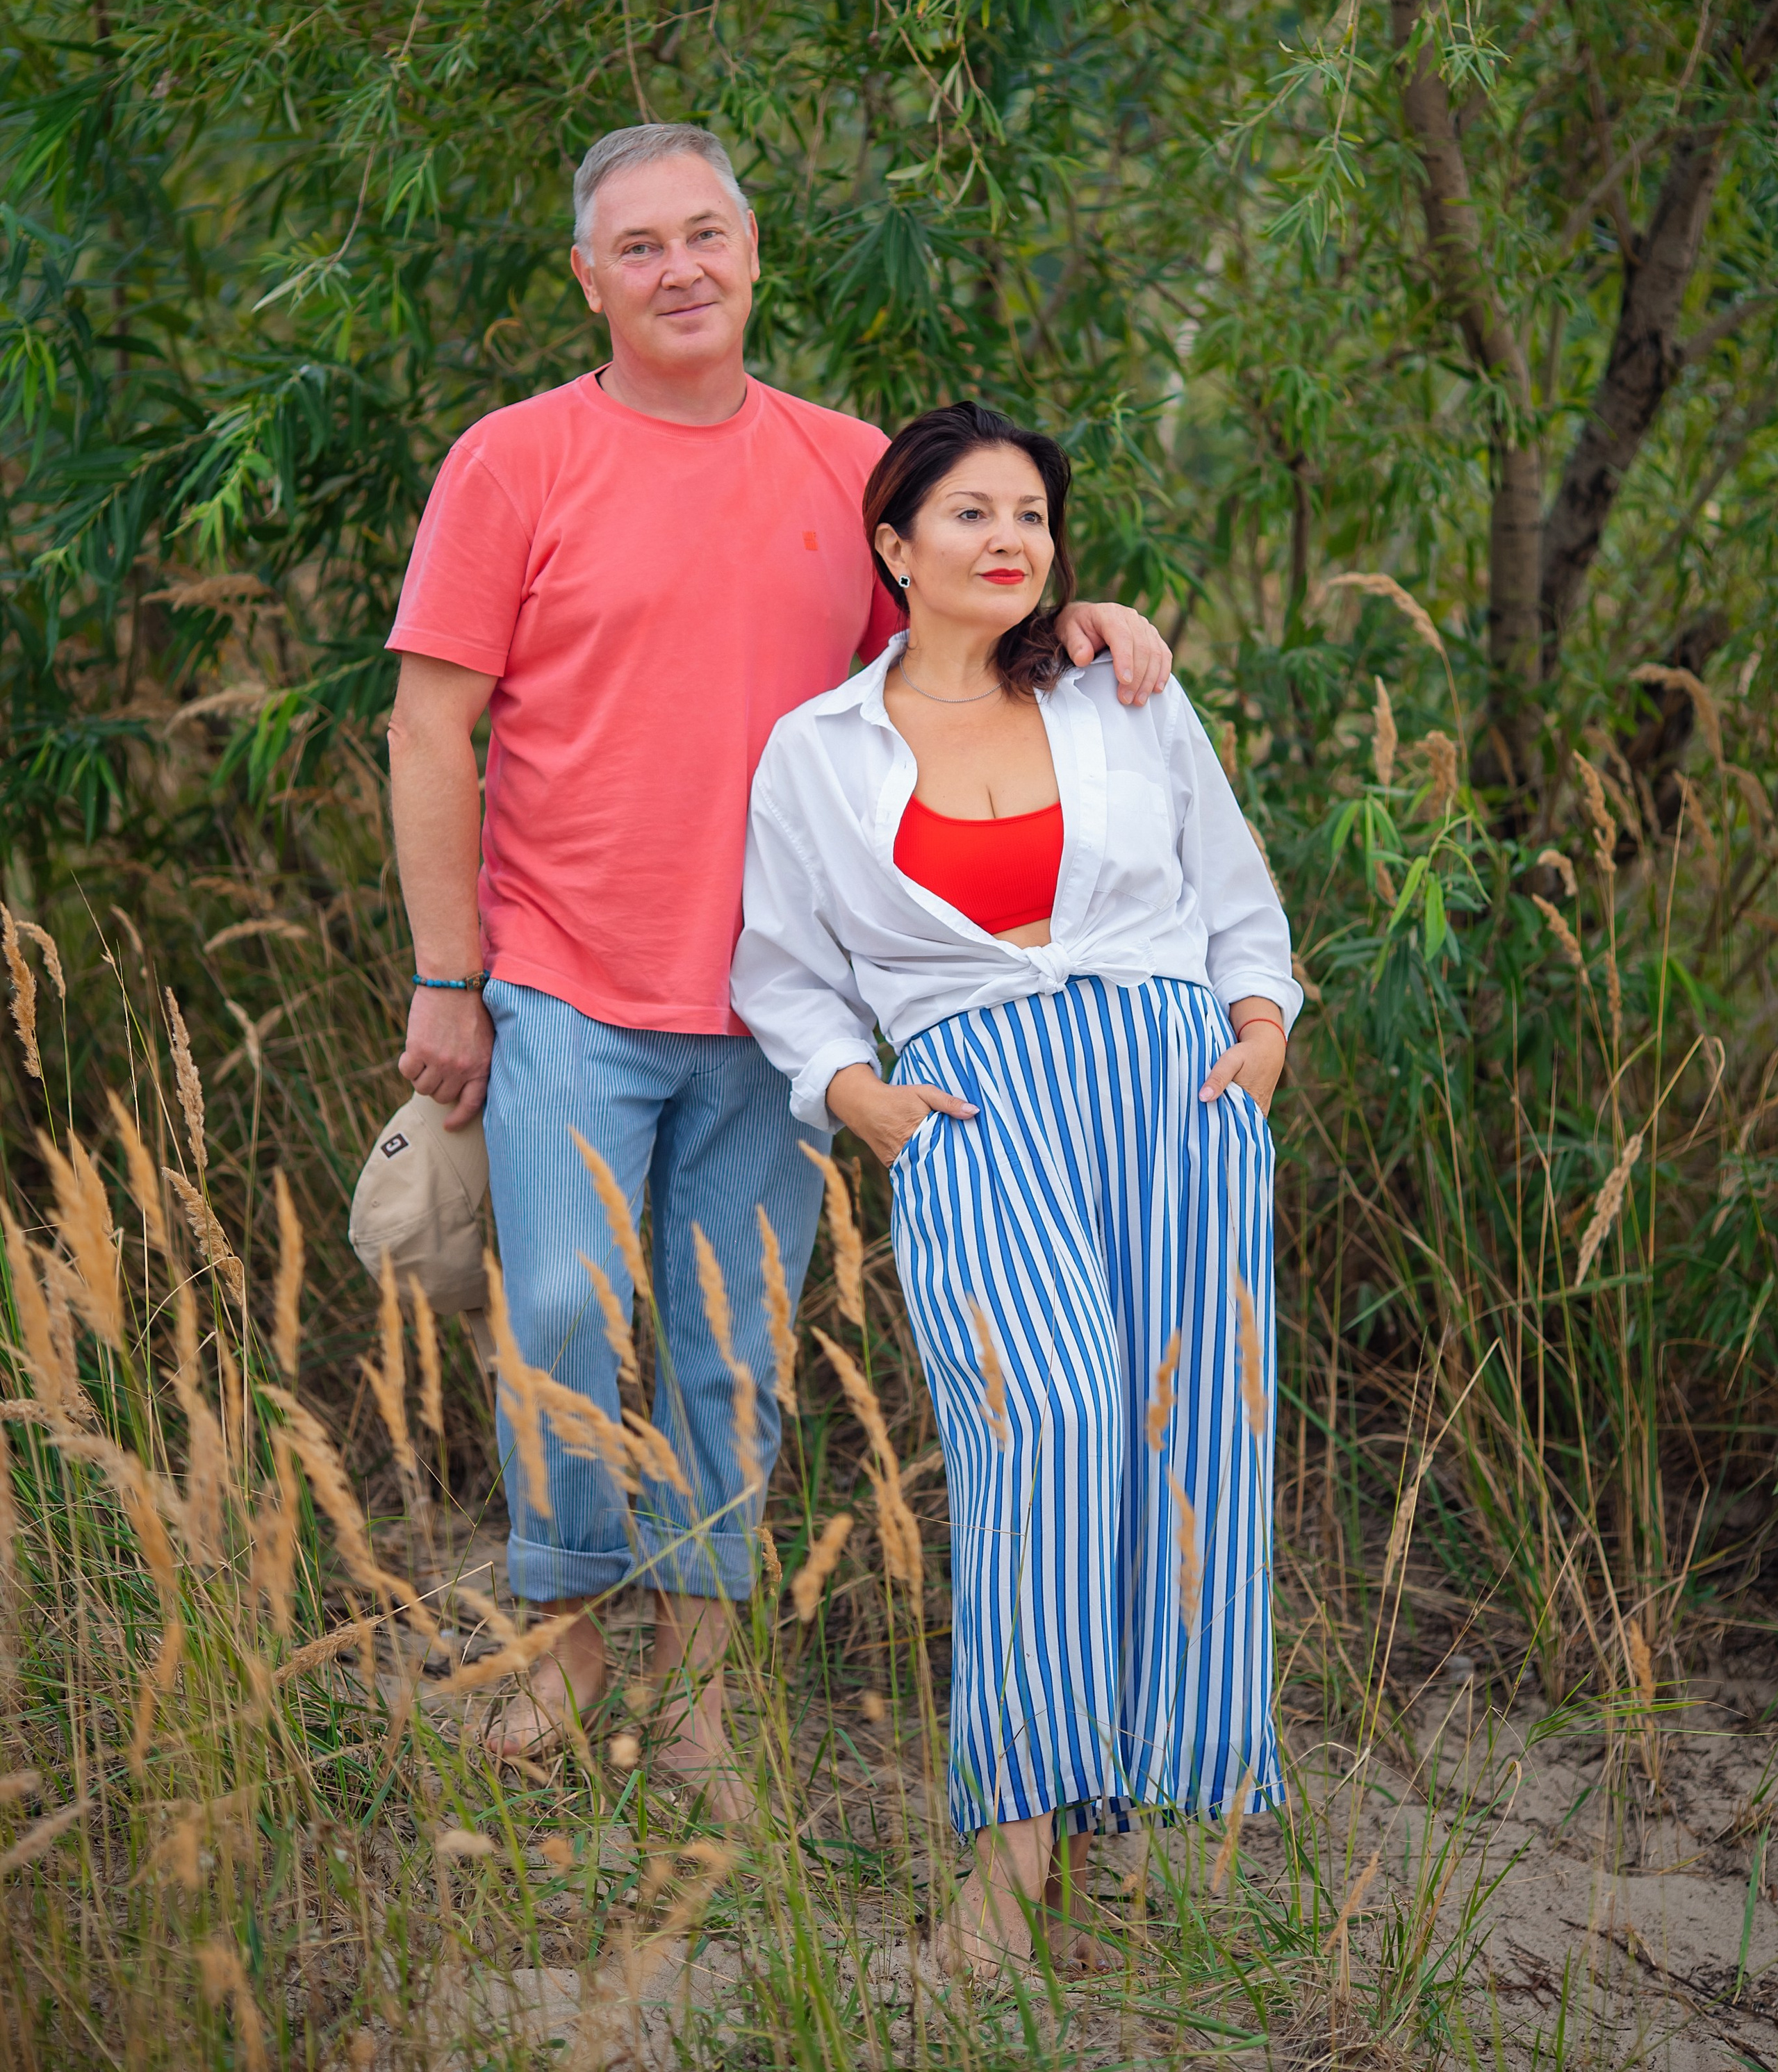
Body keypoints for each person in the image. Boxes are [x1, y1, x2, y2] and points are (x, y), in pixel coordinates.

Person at [384, 125, 1171, 1791]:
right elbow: (430, 723)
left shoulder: (848, 465)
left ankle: (698, 1692)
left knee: (730, 1345)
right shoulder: (514, 462)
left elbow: (969, 638)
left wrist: (1081, 629)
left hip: (783, 1003)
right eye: (639, 246)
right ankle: (565, 1647)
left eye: (706, 236)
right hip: (561, 976)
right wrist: (446, 975)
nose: (679, 270)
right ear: (585, 279)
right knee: (555, 1319)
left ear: (752, 255)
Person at [732, 400, 1299, 1966]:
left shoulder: (1121, 698)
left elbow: (1229, 888)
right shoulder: (816, 751)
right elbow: (782, 971)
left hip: (1168, 1092)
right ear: (893, 547)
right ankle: (1010, 1851)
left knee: (1191, 1436)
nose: (1008, 542)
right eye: (971, 515)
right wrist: (857, 1100)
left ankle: (1157, 1817)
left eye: (1031, 518)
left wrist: (1259, 1032)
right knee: (1035, 1423)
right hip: (970, 1109)